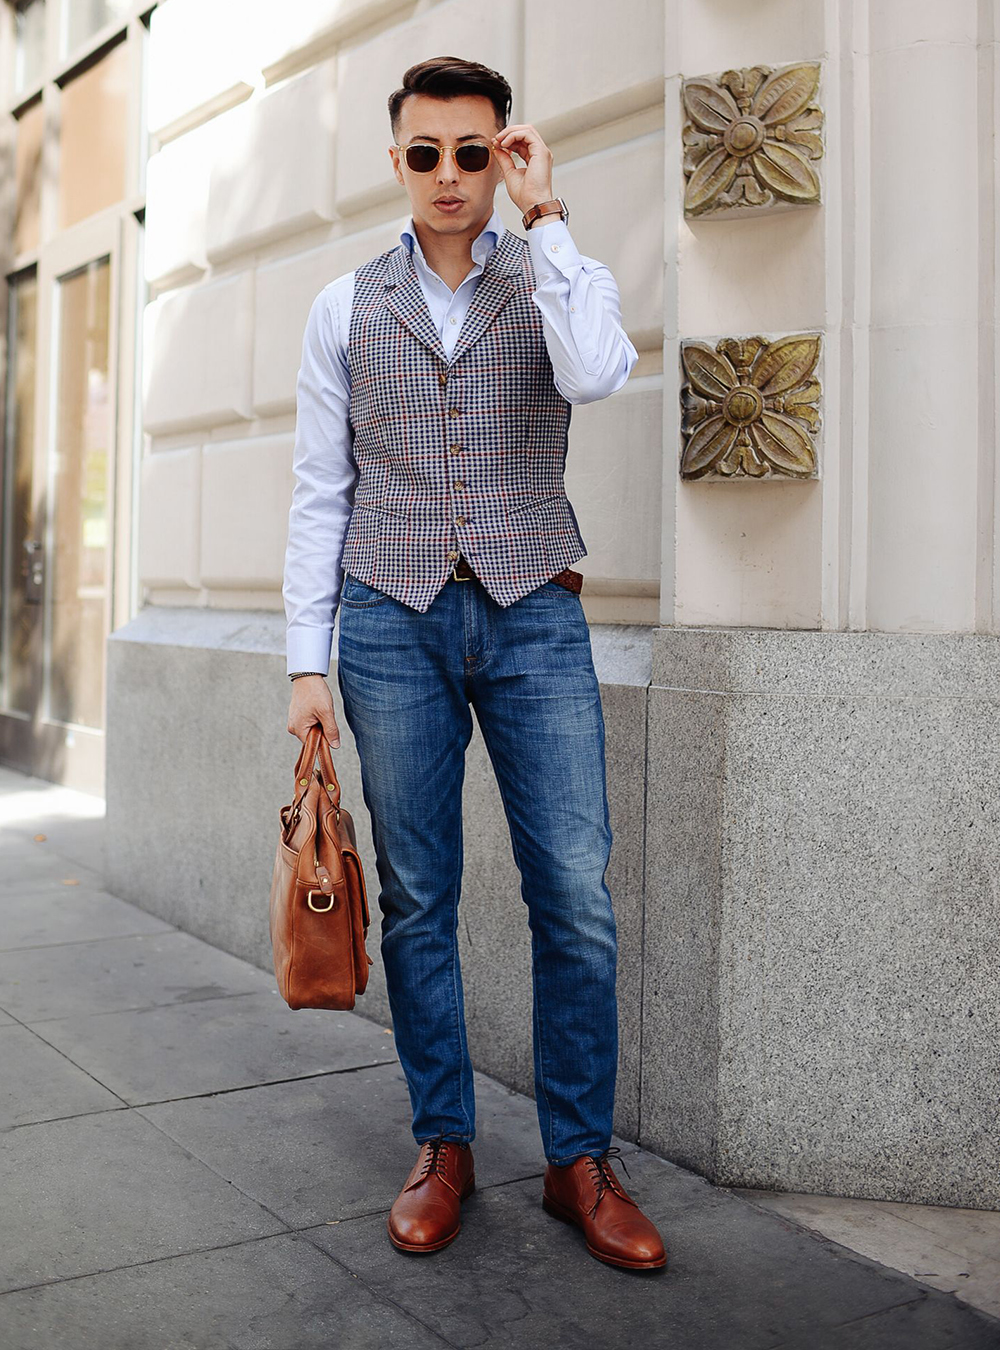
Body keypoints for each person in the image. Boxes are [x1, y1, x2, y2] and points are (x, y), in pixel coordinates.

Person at [282, 55, 666, 1272]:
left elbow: (599, 373)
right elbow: (317, 495)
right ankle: (443, 1142)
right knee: (417, 897)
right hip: (388, 620)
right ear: (394, 162)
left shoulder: (560, 275)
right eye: (424, 154)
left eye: (472, 153)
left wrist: (547, 216)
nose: (448, 177)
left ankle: (577, 1161)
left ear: (503, 153)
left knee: (576, 893)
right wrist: (306, 665)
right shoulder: (342, 307)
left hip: (531, 610)